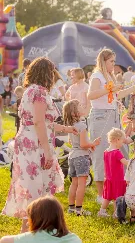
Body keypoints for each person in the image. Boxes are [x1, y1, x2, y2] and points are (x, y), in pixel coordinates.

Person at [2, 57, 77, 232]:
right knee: (36, 190)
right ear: (47, 74)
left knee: (31, 189)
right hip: (35, 146)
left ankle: (29, 233)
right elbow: (39, 122)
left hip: (28, 143)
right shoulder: (40, 93)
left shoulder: (29, 91)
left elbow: (43, 122)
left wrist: (66, 128)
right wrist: (47, 151)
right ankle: (32, 233)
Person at [87, 49, 135, 204]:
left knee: (122, 151)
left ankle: (123, 190)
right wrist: (108, 89)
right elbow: (90, 95)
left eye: (114, 60)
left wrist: (134, 88)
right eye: (111, 61)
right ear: (103, 61)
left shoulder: (109, 76)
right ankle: (102, 195)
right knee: (102, 153)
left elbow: (116, 95)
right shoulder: (97, 76)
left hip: (113, 116)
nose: (114, 64)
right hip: (100, 116)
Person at [63, 100, 101, 216]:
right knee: (81, 185)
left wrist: (89, 145)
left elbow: (74, 142)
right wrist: (93, 144)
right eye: (80, 106)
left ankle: (71, 208)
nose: (83, 106)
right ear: (74, 113)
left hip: (72, 156)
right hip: (81, 157)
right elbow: (83, 144)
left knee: (74, 184)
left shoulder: (71, 126)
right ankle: (79, 210)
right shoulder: (82, 126)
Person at [0, 196, 82, 243]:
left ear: (36, 219)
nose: (28, 223)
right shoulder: (74, 239)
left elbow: (4, 240)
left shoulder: (31, 238)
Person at [98, 128, 130, 217]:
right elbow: (125, 162)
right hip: (118, 179)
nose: (122, 143)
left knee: (107, 197)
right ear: (117, 140)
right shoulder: (117, 152)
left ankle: (102, 211)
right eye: (122, 141)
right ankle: (116, 213)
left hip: (108, 178)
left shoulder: (106, 152)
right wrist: (133, 162)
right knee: (118, 197)